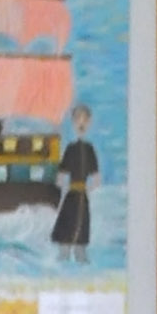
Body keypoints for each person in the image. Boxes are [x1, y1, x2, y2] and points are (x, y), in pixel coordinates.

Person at [51, 104, 99, 258]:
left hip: (81, 196)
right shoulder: (70, 149)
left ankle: (79, 260)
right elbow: (60, 176)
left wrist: (86, 189)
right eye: (78, 119)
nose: (81, 123)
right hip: (71, 196)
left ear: (89, 122)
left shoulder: (90, 149)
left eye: (85, 119)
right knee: (64, 240)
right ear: (73, 122)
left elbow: (96, 178)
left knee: (81, 243)